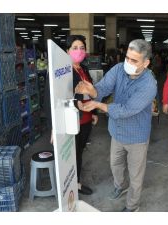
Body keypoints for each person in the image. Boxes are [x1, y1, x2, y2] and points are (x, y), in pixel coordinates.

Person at [75, 39, 157, 212]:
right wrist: (92, 91)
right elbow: (103, 87)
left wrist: (98, 105)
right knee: (115, 165)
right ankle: (121, 185)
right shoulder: (119, 69)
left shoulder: (149, 84)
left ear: (146, 63)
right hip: (117, 131)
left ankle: (132, 206)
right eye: (127, 57)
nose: (128, 63)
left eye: (134, 60)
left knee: (136, 175)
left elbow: (127, 110)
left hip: (137, 137)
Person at [66, 35, 98, 195]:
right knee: (72, 154)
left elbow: (90, 93)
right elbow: (58, 98)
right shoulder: (64, 72)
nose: (79, 51)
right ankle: (74, 185)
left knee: (79, 151)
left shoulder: (83, 69)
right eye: (75, 48)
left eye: (82, 48)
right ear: (67, 51)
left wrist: (93, 112)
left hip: (85, 119)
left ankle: (76, 182)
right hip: (73, 120)